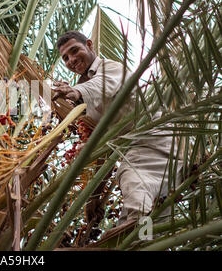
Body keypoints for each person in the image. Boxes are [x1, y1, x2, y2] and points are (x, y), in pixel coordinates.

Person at [52, 31, 182, 235]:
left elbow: (104, 85)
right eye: (65, 58)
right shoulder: (85, 100)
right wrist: (94, 196)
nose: (71, 60)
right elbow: (102, 150)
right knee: (138, 221)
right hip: (145, 152)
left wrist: (76, 93)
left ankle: (141, 237)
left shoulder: (110, 69)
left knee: (131, 181)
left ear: (89, 44)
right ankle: (144, 241)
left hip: (154, 138)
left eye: (75, 51)